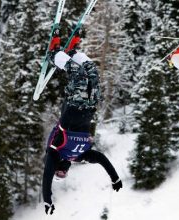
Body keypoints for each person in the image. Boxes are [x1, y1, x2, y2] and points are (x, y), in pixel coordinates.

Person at [42, 30, 122, 215]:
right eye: (64, 175)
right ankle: (72, 53)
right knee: (92, 73)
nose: (62, 172)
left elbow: (46, 177)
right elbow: (102, 159)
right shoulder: (79, 156)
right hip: (89, 108)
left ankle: (54, 54)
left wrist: (47, 200)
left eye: (59, 174)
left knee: (78, 75)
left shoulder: (54, 154)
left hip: (72, 106)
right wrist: (115, 178)